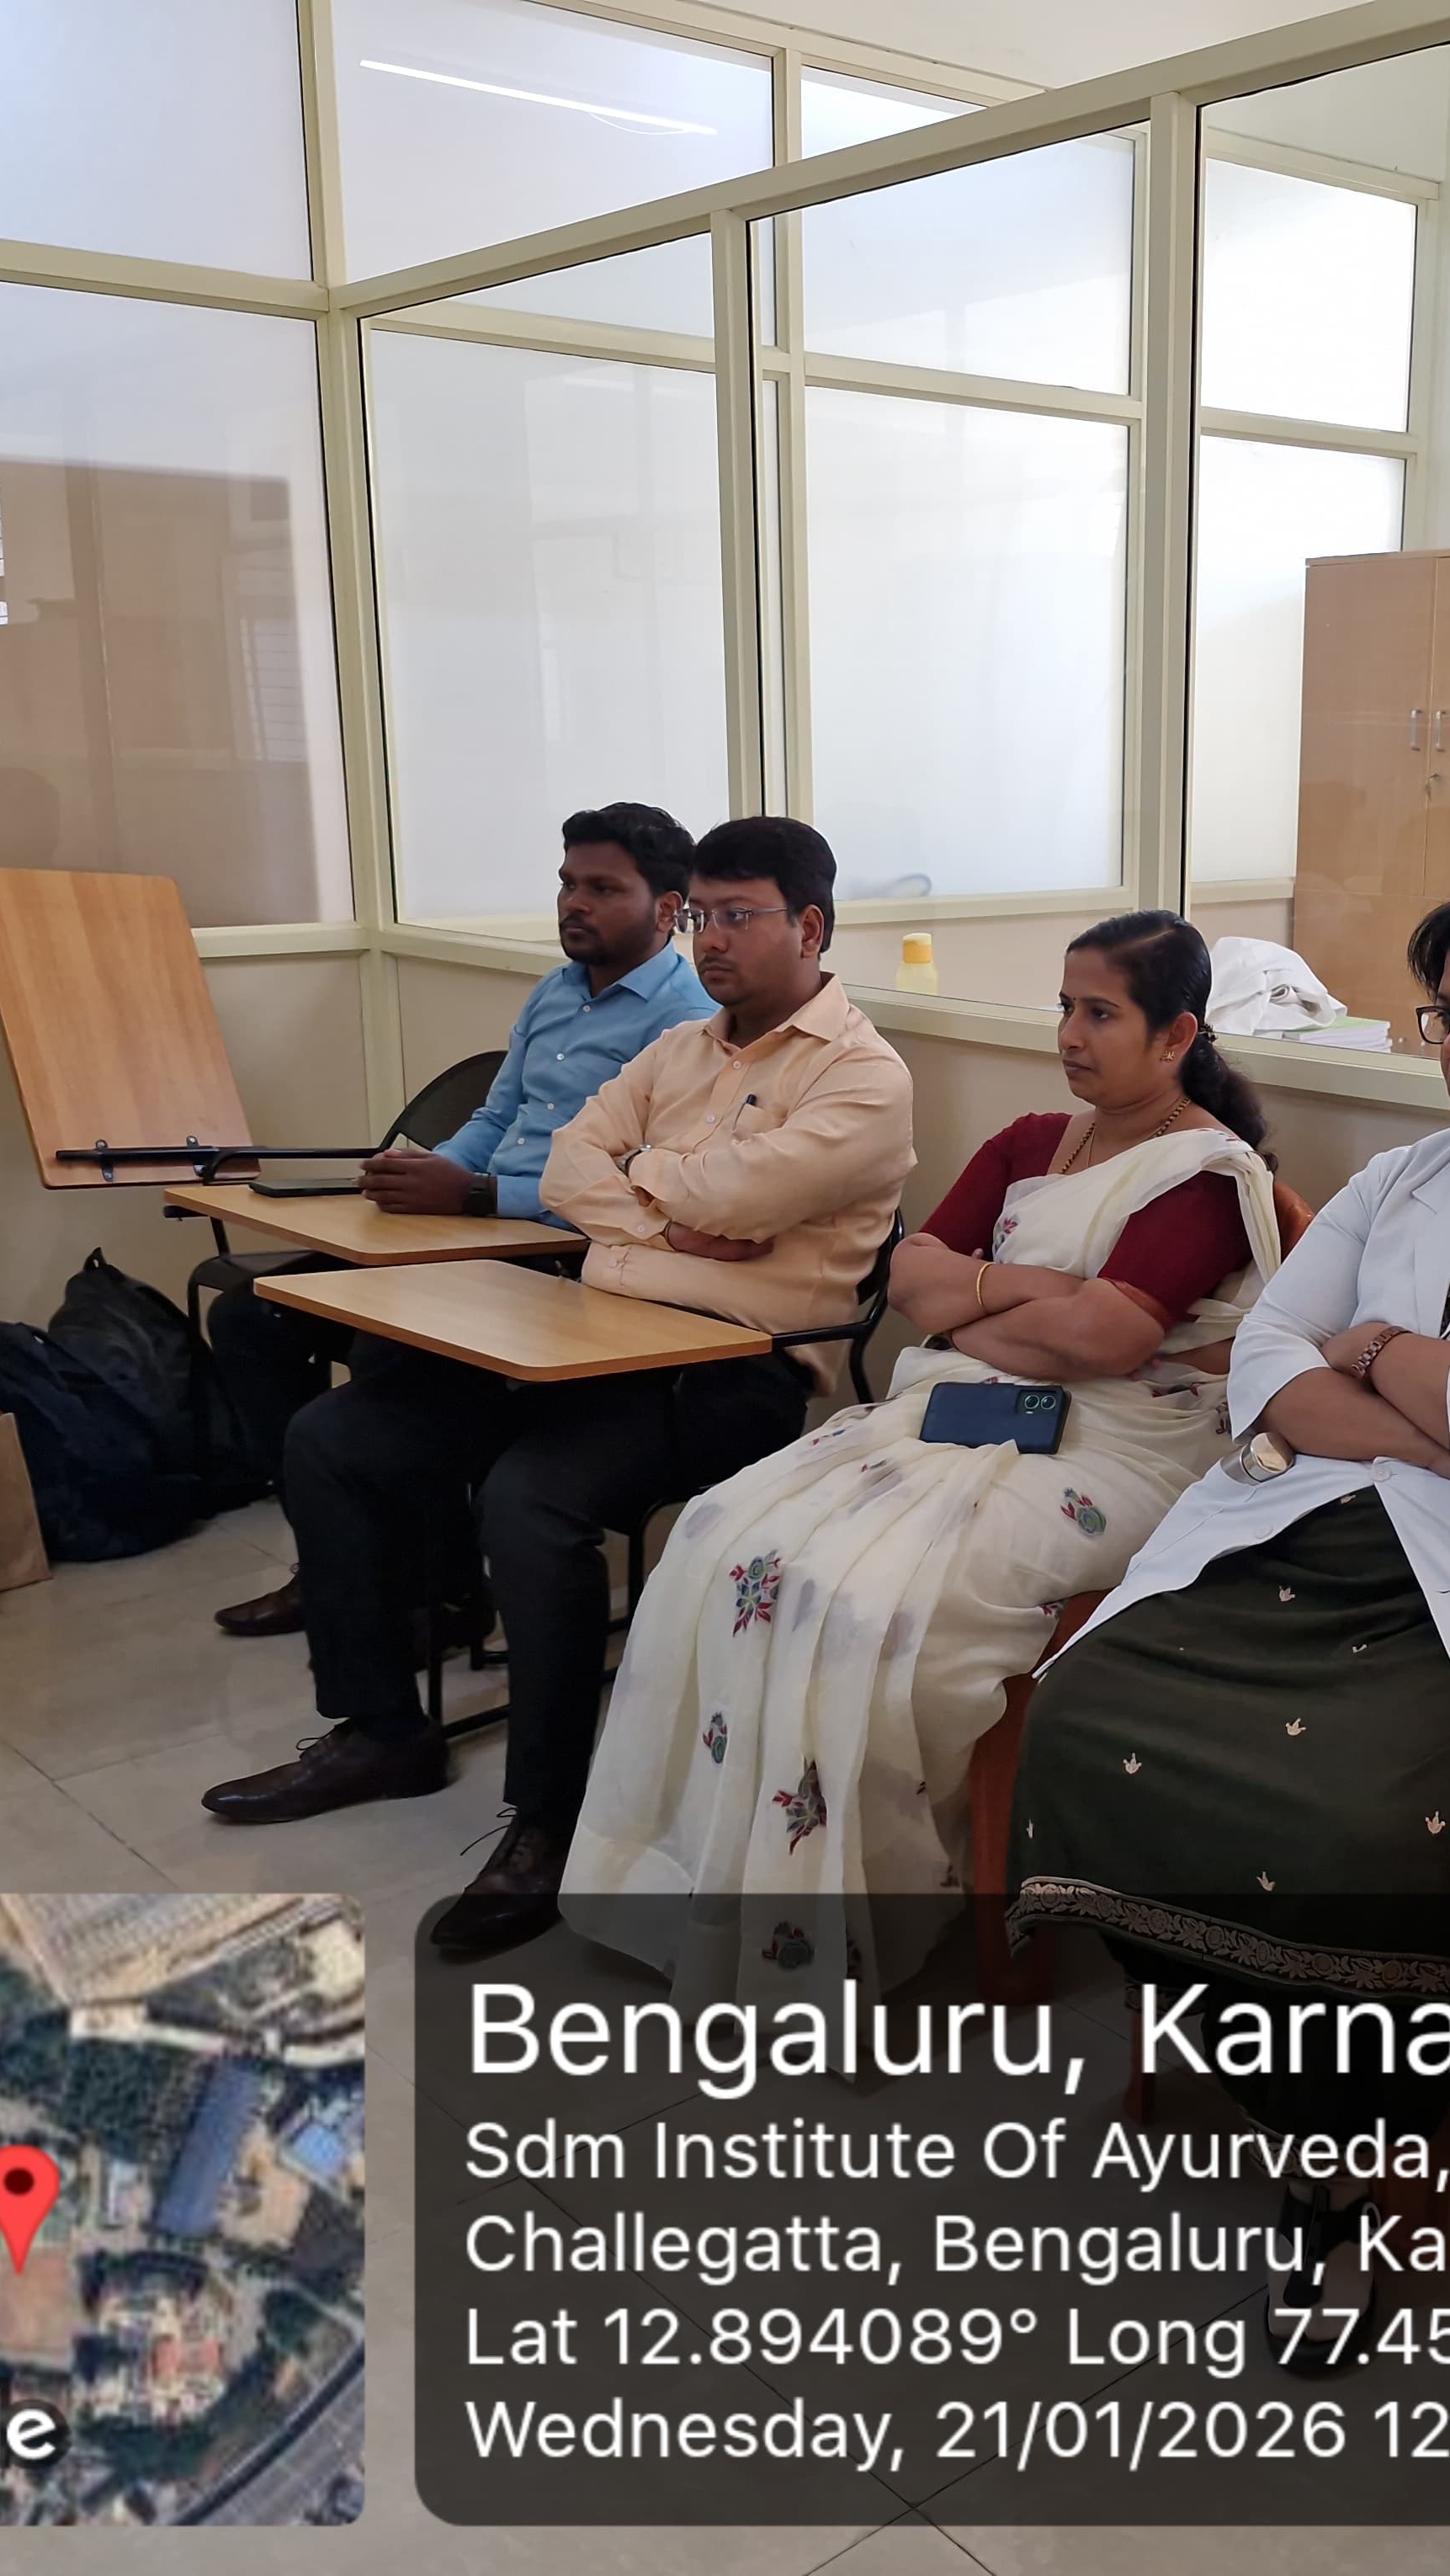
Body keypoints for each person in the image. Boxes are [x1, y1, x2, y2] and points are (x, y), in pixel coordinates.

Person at [1006, 869, 1450, 2316]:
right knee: (1085, 1712)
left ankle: (1345, 2168)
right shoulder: (1405, 1178)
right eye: (1443, 1013)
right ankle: (1280, 2069)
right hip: (1323, 1525)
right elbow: (1269, 1365)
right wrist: (1442, 1427)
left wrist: (1382, 1352)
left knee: (1356, 1818)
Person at [562, 913, 1286, 2000]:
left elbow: (1107, 1344)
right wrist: (1030, 1298)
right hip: (958, 1407)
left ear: (1177, 1035)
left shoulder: (1204, 1175)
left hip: (1119, 1446)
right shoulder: (1031, 1141)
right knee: (719, 1536)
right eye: (1065, 1007)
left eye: (1101, 1014)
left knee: (870, 1605)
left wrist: (979, 1310)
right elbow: (910, 1281)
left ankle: (860, 1912)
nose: (1070, 1034)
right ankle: (694, 1883)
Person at [202, 817, 914, 1868]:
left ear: (808, 928)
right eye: (702, 916)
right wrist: (674, 1216)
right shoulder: (681, 1049)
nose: (710, 938)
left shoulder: (863, 1076)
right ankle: (384, 1734)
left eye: (736, 916)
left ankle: (549, 1819)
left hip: (727, 1367)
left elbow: (732, 1199)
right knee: (334, 1437)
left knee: (528, 1502)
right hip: (585, 1332)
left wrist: (640, 1192)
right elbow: (576, 1164)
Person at [205, 801, 707, 1631]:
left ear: (666, 909)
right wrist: (433, 1170)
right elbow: (497, 1116)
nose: (574, 904)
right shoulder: (555, 992)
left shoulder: (683, 1020)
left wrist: (476, 1197)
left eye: (603, 888)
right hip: (475, 1225)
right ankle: (334, 1566)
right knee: (250, 1319)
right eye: (567, 884)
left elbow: (637, 1186)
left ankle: (436, 1592)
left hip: (554, 1252)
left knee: (389, 1346)